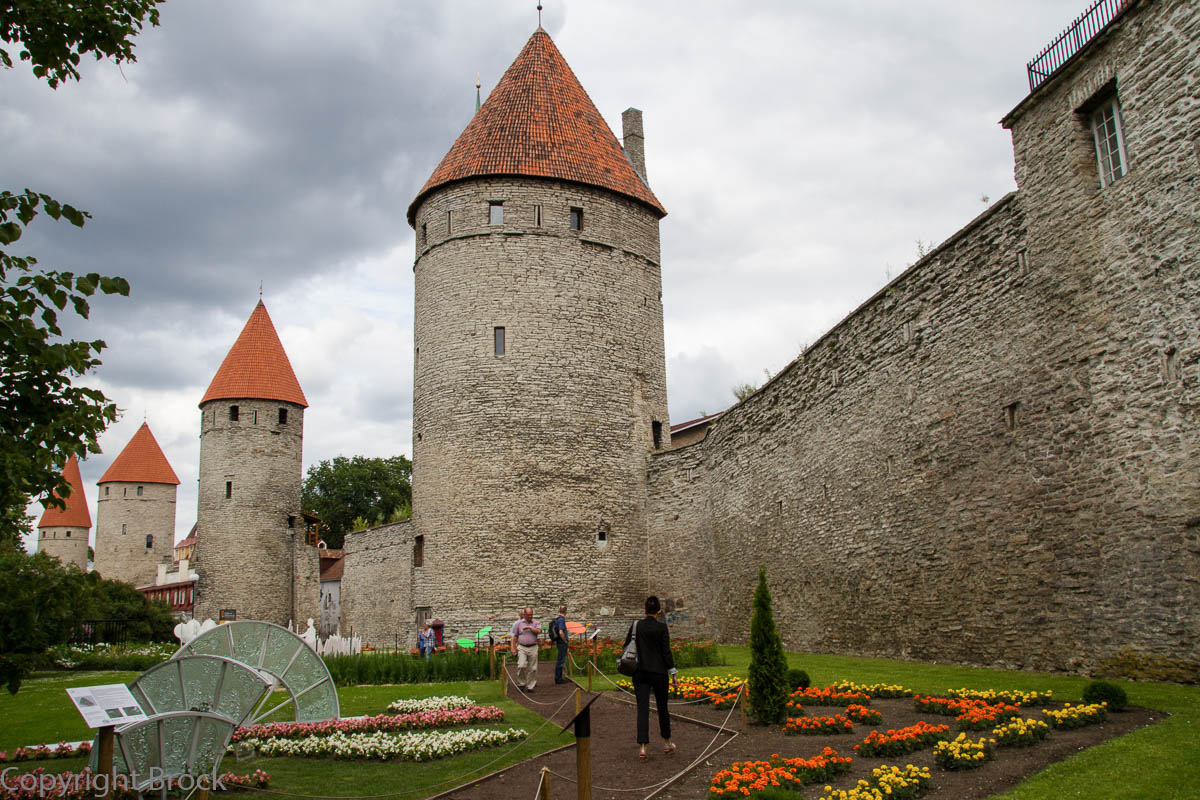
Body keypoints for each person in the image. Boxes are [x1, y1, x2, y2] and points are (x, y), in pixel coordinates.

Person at [625, 595, 678, 760]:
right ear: (659, 611)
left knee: (642, 709)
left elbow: (627, 645)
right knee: (663, 708)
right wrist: (673, 673)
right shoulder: (662, 628)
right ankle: (667, 742)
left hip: (640, 673)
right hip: (659, 673)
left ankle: (643, 747)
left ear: (644, 610)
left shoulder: (636, 626)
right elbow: (666, 652)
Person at [509, 607, 542, 692]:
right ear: (524, 615)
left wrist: (530, 628)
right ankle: (521, 683)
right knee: (521, 665)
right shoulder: (519, 624)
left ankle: (531, 686)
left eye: (531, 615)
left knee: (533, 668)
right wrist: (513, 647)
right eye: (528, 615)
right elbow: (514, 636)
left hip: (533, 646)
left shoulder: (536, 623)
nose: (530, 616)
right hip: (522, 647)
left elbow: (539, 631)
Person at [549, 605, 569, 684]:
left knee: (560, 659)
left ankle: (559, 677)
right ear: (566, 611)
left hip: (559, 642)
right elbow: (561, 632)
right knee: (561, 660)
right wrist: (565, 641)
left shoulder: (558, 619)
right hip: (561, 642)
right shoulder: (561, 620)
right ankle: (558, 678)